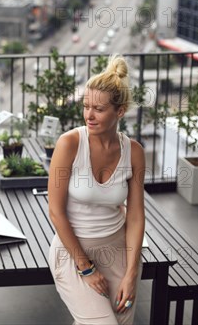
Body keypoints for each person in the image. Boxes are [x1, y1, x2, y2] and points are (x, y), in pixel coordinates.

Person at [47, 55, 145, 325]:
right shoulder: (69, 144)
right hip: (73, 252)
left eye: (99, 109)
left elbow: (135, 216)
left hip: (118, 252)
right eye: (86, 106)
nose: (89, 115)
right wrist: (86, 267)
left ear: (120, 111)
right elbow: (55, 212)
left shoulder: (134, 152)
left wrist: (131, 273)